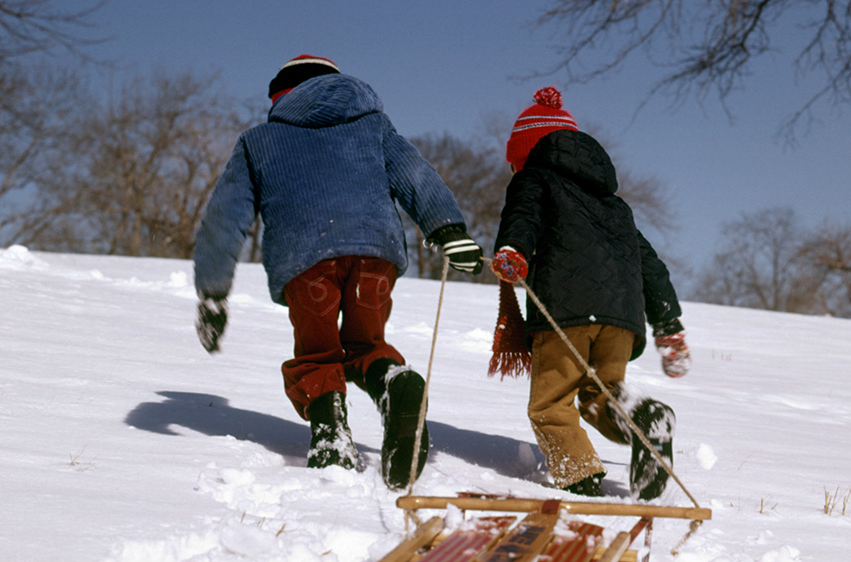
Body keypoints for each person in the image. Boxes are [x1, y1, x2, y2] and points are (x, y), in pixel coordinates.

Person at [192, 55, 483, 487]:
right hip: (374, 253)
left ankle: (331, 436)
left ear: (280, 99)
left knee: (318, 353)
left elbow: (223, 218)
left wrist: (213, 292)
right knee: (366, 343)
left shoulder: (260, 141)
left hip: (305, 260)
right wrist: (448, 229)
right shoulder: (372, 126)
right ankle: (394, 382)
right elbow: (416, 176)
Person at [490, 87, 691, 500]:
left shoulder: (534, 180)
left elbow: (523, 217)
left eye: (514, 163)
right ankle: (641, 415)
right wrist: (668, 322)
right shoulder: (614, 205)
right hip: (621, 322)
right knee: (601, 396)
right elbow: (650, 265)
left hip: (564, 312)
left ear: (527, 155)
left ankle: (579, 480)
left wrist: (514, 250)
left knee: (551, 404)